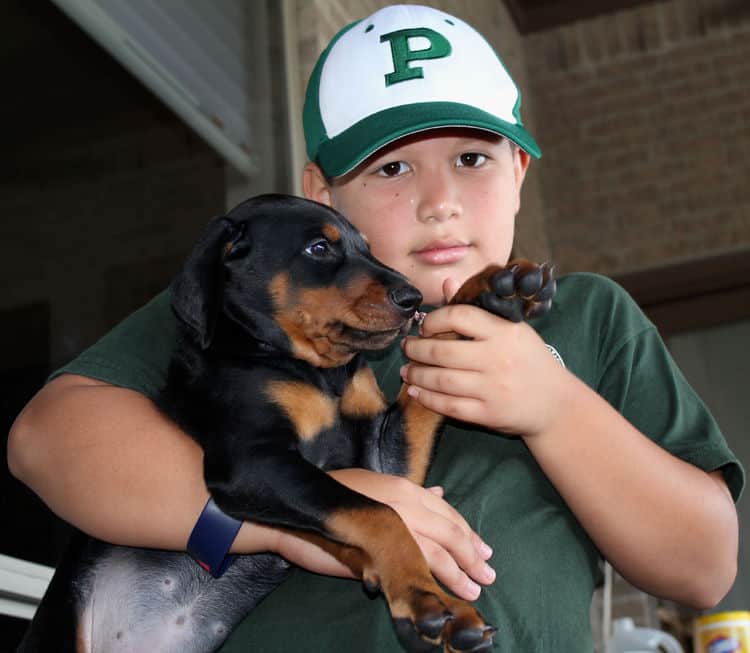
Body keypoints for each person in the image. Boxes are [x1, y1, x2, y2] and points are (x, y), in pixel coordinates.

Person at [8, 4, 743, 652]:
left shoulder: (586, 315)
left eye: (471, 157)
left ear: (520, 168)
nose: (440, 202)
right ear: (322, 196)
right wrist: (304, 515)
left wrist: (556, 407)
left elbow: (705, 566)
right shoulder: (255, 308)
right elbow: (48, 439)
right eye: (392, 169)